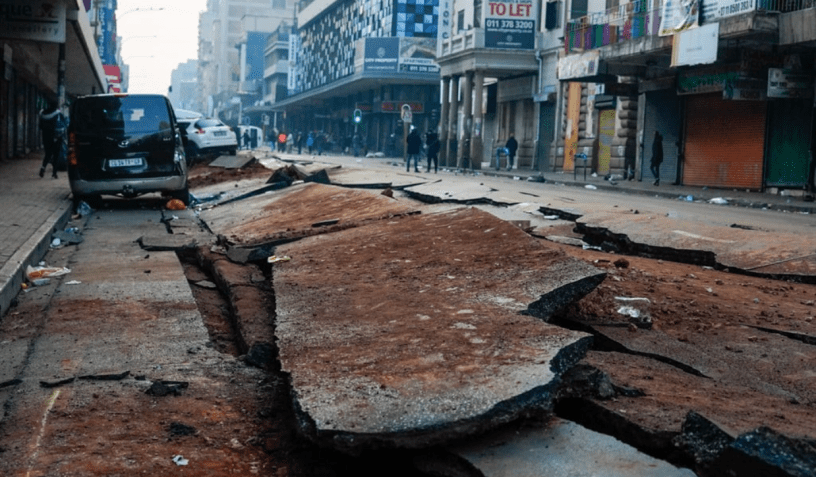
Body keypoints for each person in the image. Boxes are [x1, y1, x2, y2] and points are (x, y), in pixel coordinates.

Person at [39, 101, 65, 179]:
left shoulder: (43, 113)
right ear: (56, 106)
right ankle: (54, 173)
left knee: (48, 154)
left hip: (46, 137)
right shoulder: (58, 114)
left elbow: (40, 126)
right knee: (56, 155)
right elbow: (63, 125)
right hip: (56, 138)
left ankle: (43, 168)